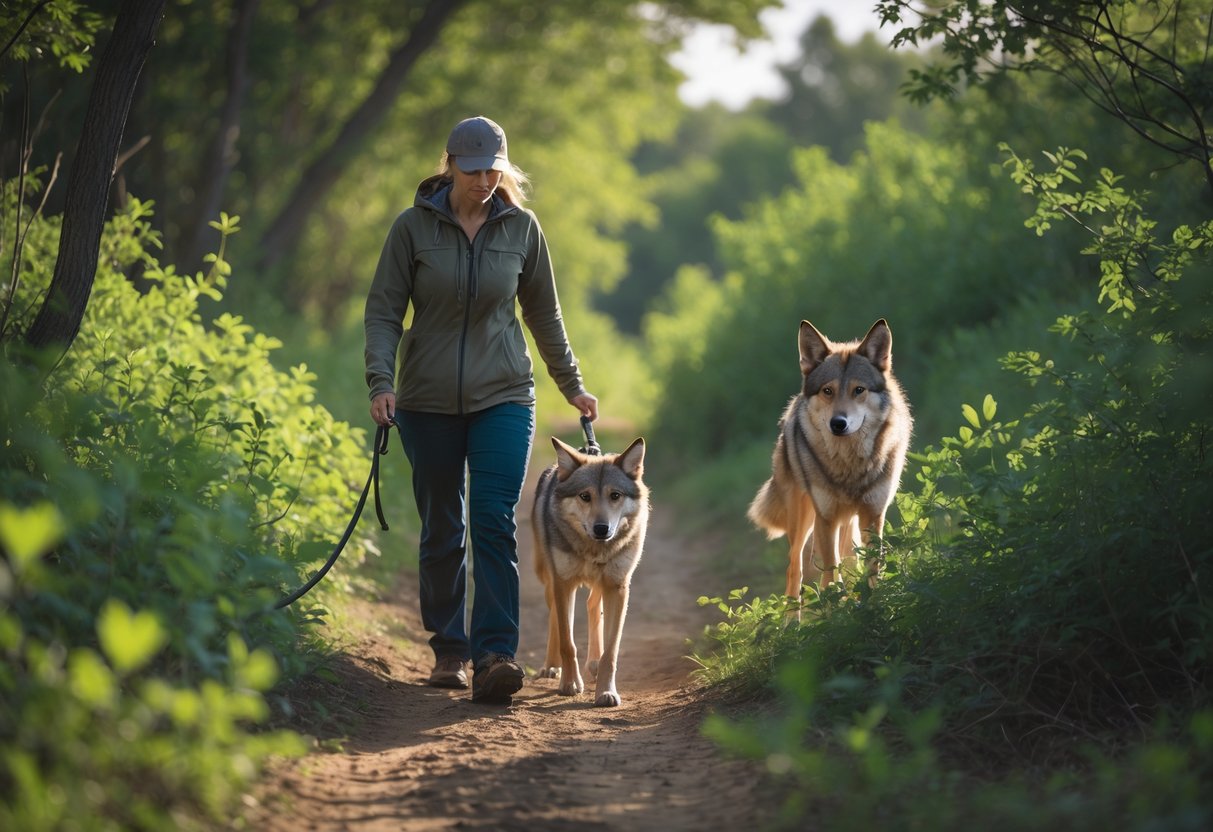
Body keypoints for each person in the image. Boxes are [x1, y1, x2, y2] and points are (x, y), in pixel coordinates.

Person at [364, 115, 597, 704]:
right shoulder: (412, 229)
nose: (484, 180)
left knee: (493, 518)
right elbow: (384, 311)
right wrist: (380, 381)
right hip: (426, 400)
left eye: (493, 169)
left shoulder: (522, 229)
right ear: (450, 166)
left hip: (504, 395)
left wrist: (572, 385)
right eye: (472, 171)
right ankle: (450, 650)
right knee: (444, 523)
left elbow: (544, 314)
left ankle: (495, 654)